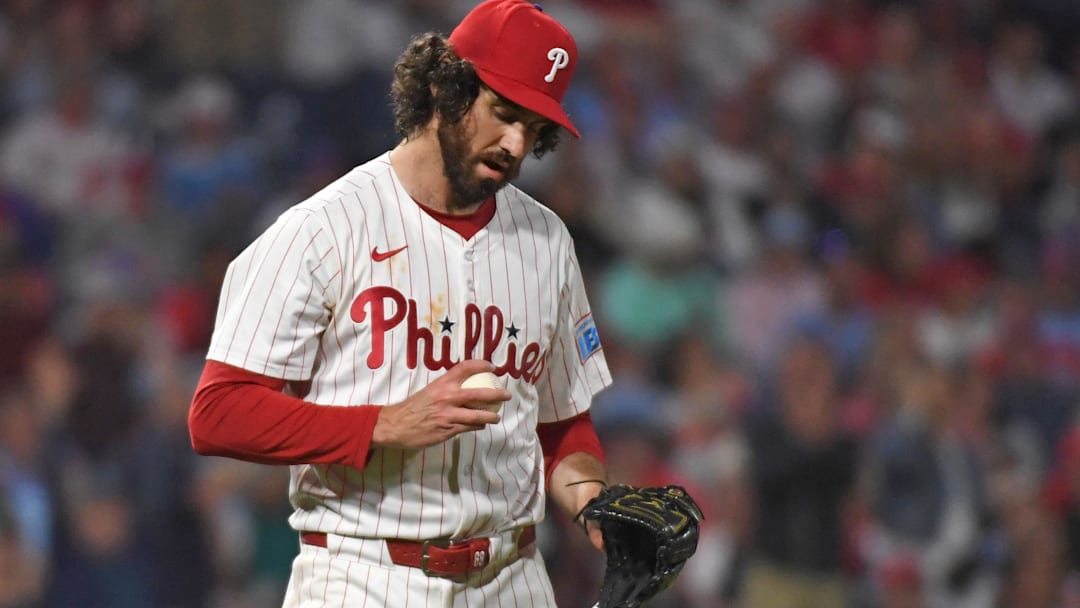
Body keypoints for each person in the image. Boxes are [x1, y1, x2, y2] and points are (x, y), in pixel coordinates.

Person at [187, 1, 613, 606]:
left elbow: (562, 421)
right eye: (504, 113)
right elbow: (217, 413)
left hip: (514, 575)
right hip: (365, 574)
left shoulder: (547, 240)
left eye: (535, 129)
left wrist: (595, 503)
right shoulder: (323, 229)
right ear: (445, 86)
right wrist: (382, 424)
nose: (516, 144)